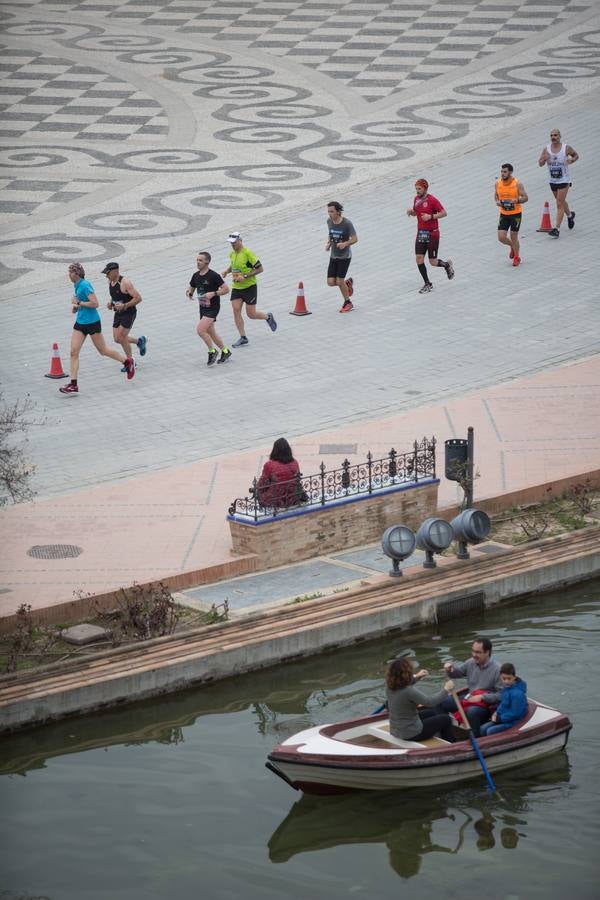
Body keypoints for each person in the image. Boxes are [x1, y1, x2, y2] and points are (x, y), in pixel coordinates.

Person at [59, 262, 134, 395]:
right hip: (80, 323)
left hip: (93, 322)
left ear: (76, 273)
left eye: (70, 272)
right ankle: (73, 384)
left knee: (103, 351)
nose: (68, 274)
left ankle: (127, 362)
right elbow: (82, 303)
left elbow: (95, 303)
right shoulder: (76, 285)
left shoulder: (85, 285)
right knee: (73, 353)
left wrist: (79, 303)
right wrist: (77, 308)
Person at [436, 636, 502, 736]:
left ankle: (476, 739)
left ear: (487, 652)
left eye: (478, 652)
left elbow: (501, 695)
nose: (474, 655)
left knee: (471, 712)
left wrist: (482, 697)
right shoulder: (471, 662)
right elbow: (457, 673)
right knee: (441, 702)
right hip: (469, 698)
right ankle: (448, 736)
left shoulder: (498, 669)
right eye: (473, 651)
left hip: (485, 705)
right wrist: (450, 669)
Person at [221, 232, 276, 347]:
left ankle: (268, 317)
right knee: (236, 310)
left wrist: (245, 276)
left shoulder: (248, 253)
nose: (232, 245)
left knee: (251, 314)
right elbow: (234, 265)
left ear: (240, 241)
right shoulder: (232, 254)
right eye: (231, 243)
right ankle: (243, 337)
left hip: (250, 287)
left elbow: (260, 269)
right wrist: (227, 271)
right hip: (237, 287)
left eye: (234, 243)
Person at [386, 656, 456, 743]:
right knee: (446, 719)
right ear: (406, 673)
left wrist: (417, 677)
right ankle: (451, 744)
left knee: (432, 712)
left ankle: (437, 733)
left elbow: (403, 682)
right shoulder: (408, 691)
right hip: (411, 734)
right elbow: (430, 702)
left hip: (396, 730)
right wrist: (446, 689)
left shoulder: (389, 686)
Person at [406, 179, 454, 294]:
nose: (417, 191)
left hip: (432, 233)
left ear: (425, 189)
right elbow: (416, 211)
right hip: (421, 233)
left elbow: (444, 213)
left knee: (432, 261)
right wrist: (411, 212)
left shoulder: (432, 200)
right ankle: (427, 283)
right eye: (416, 189)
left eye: (419, 189)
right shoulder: (416, 199)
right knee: (419, 259)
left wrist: (431, 217)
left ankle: (446, 265)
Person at [186, 250, 232, 365]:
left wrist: (214, 293)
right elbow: (191, 288)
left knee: (200, 330)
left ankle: (212, 351)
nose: (198, 262)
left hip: (213, 308)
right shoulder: (195, 276)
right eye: (197, 260)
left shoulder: (213, 276)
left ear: (207, 262)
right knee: (211, 332)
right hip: (203, 307)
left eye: (200, 260)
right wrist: (189, 293)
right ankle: (225, 351)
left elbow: (226, 289)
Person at [102, 262, 147, 367]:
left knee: (122, 337)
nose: (106, 275)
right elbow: (115, 295)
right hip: (118, 313)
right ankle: (139, 341)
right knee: (117, 339)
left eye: (108, 273)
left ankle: (130, 362)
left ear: (115, 272)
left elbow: (138, 298)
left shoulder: (125, 282)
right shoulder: (110, 281)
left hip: (129, 312)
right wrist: (111, 303)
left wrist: (125, 306)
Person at [538, 128, 578, 238]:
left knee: (559, 204)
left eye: (555, 135)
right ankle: (570, 216)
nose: (553, 137)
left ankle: (557, 229)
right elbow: (540, 163)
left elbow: (576, 155)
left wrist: (572, 160)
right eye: (551, 135)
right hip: (553, 180)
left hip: (564, 180)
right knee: (561, 201)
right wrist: (544, 159)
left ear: (560, 136)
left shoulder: (566, 148)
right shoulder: (546, 149)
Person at [325, 200, 357, 313]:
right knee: (330, 282)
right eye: (328, 211)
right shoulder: (329, 221)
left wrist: (345, 244)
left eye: (332, 211)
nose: (329, 214)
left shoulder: (347, 224)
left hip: (345, 256)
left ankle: (348, 302)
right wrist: (329, 243)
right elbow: (330, 233)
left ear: (338, 212)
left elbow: (355, 238)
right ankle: (347, 284)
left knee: (339, 281)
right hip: (334, 255)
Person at [480, 663, 528, 736]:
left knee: (489, 731)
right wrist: (496, 713)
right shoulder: (506, 689)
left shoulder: (518, 694)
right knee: (483, 728)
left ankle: (492, 745)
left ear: (514, 677)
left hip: (514, 721)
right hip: (505, 718)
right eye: (504, 679)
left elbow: (516, 714)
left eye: (509, 678)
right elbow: (503, 705)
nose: (506, 681)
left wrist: (500, 719)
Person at [495, 163, 528, 267]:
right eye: (501, 171)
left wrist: (517, 200)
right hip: (504, 214)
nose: (502, 174)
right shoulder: (498, 183)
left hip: (515, 214)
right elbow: (495, 196)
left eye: (505, 172)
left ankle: (517, 257)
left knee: (514, 236)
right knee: (501, 237)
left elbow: (525, 197)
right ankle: (512, 246)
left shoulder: (517, 184)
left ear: (510, 172)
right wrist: (497, 202)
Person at [256, 438, 302, 508]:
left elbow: (262, 484)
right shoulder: (294, 462)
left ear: (275, 451)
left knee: (259, 494)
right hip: (293, 497)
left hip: (276, 499)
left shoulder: (269, 465)